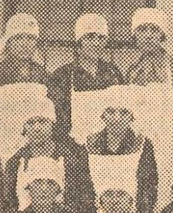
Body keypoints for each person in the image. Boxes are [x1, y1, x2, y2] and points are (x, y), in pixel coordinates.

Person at [2, 97, 94, 213]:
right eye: (30, 123)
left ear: (52, 124)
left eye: (42, 121)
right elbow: (9, 203)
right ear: (24, 127)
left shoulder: (70, 159)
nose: (37, 128)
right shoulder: (15, 163)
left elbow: (85, 200)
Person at [47, 13, 124, 142]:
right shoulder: (62, 75)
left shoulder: (113, 73)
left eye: (101, 38)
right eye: (90, 37)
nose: (96, 43)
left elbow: (122, 111)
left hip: (107, 144)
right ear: (79, 42)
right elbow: (56, 119)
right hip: (73, 144)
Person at [85, 86, 158, 213]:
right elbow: (85, 186)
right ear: (103, 115)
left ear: (132, 116)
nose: (117, 119)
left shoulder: (142, 144)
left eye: (124, 112)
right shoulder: (90, 144)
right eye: (111, 112)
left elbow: (148, 185)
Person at [121, 8, 173, 171]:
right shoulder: (132, 71)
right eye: (142, 30)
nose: (148, 35)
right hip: (140, 140)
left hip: (169, 138)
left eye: (154, 30)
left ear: (162, 34)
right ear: (135, 35)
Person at [0, 13, 49, 111]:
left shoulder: (44, 77)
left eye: (30, 38)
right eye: (18, 38)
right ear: (8, 43)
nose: (24, 44)